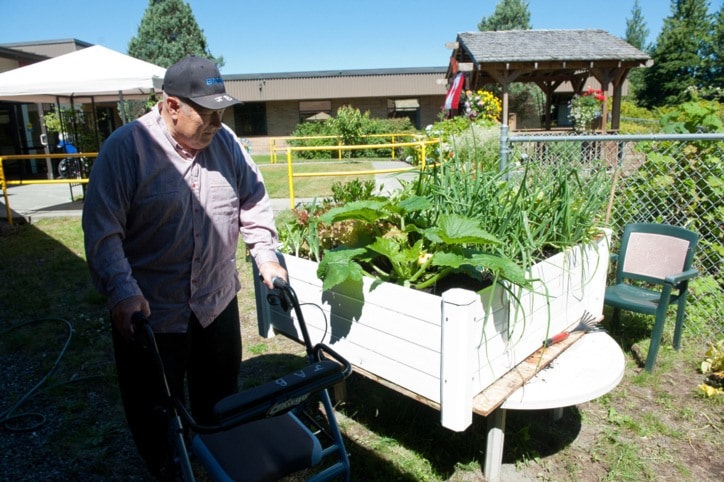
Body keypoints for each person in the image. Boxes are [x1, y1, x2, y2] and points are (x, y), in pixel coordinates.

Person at [82, 55, 287, 480]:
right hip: (152, 315)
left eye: (221, 112)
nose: (216, 122)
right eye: (206, 113)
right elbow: (103, 232)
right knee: (155, 411)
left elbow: (253, 200)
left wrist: (265, 255)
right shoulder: (126, 149)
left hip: (216, 303)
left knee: (220, 402)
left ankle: (216, 461)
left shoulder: (226, 144)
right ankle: (168, 468)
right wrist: (122, 290)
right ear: (171, 105)